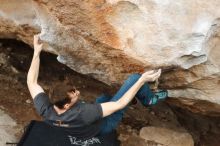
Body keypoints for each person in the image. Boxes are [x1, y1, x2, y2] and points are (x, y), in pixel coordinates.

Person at [27, 35, 168, 139]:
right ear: (67, 106)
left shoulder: (46, 109)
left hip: (82, 127)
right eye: (75, 94)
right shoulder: (84, 113)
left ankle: (134, 96)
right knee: (134, 79)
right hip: (103, 126)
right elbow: (119, 103)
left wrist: (36, 52)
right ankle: (149, 100)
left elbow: (31, 82)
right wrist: (142, 80)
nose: (78, 92)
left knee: (104, 97)